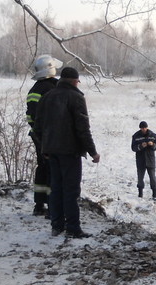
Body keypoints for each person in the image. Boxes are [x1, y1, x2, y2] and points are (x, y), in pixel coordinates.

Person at [33, 66, 100, 239]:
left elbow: (37, 127)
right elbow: (82, 128)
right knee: (70, 191)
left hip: (51, 151)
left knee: (55, 189)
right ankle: (73, 228)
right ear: (74, 81)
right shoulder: (76, 97)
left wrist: (44, 147)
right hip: (70, 152)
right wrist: (93, 152)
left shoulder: (47, 97)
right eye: (78, 81)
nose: (78, 84)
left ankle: (56, 226)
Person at [25, 55, 62, 217]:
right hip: (50, 137)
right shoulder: (53, 88)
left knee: (42, 167)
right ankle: (52, 205)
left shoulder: (34, 89)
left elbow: (30, 115)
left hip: (37, 135)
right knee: (53, 169)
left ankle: (39, 204)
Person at [131, 120, 156, 199]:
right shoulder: (135, 136)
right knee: (140, 178)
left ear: (147, 127)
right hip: (140, 160)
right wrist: (140, 146)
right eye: (142, 128)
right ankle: (140, 193)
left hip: (150, 160)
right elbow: (133, 148)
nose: (143, 129)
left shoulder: (153, 135)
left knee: (153, 178)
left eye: (144, 128)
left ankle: (154, 193)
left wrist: (153, 145)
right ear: (140, 128)